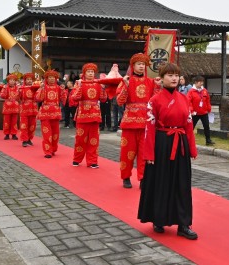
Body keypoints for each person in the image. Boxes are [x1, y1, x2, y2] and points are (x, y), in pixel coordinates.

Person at [138, 62, 198, 240]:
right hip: (162, 144)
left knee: (182, 184)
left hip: (180, 144)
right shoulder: (154, 100)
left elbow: (188, 125)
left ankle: (183, 224)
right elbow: (149, 128)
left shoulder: (184, 98)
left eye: (176, 75)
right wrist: (149, 154)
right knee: (161, 181)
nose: (174, 78)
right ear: (162, 78)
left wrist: (192, 149)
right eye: (170, 75)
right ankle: (158, 218)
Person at [116, 53, 160, 188]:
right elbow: (119, 101)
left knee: (143, 153)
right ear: (133, 66)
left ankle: (143, 178)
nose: (141, 66)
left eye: (143, 64)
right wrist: (126, 85)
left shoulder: (151, 82)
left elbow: (156, 102)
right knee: (127, 152)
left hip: (146, 122)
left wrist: (158, 87)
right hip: (129, 122)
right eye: (138, 64)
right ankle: (126, 177)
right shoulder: (126, 80)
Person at [71, 63, 107, 168]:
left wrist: (103, 88)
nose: (91, 73)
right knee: (80, 139)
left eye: (92, 72)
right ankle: (77, 159)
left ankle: (92, 161)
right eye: (88, 72)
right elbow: (74, 98)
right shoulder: (79, 83)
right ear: (84, 73)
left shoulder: (98, 83)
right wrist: (80, 86)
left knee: (94, 140)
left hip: (95, 114)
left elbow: (103, 99)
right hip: (83, 114)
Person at [35, 70, 66, 158]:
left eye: (53, 77)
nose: (52, 79)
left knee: (55, 133)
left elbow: (63, 100)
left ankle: (53, 149)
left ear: (56, 79)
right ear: (46, 79)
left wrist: (63, 90)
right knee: (46, 133)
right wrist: (41, 88)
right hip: (45, 113)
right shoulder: (43, 87)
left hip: (55, 112)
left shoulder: (59, 88)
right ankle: (47, 151)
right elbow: (38, 98)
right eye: (50, 77)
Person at [187, 75, 215, 146]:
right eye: (200, 82)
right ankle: (187, 140)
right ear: (196, 82)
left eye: (202, 82)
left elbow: (208, 100)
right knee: (191, 127)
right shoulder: (191, 92)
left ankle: (208, 140)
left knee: (206, 126)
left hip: (204, 112)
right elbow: (188, 102)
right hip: (195, 113)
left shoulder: (204, 91)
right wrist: (191, 111)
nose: (201, 83)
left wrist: (209, 109)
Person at [19, 72, 39, 147]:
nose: (29, 81)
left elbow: (38, 97)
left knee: (32, 125)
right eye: (28, 79)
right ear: (25, 80)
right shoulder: (21, 88)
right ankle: (24, 140)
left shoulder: (35, 88)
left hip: (33, 108)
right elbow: (19, 97)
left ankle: (29, 139)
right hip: (24, 108)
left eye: (31, 79)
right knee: (24, 125)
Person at [0, 73, 20, 140]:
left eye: (13, 80)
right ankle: (7, 134)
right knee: (6, 121)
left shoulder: (18, 88)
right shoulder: (5, 87)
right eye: (10, 80)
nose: (12, 81)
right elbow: (2, 95)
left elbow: (20, 96)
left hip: (15, 106)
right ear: (8, 81)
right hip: (7, 106)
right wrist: (5, 90)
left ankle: (14, 134)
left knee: (14, 121)